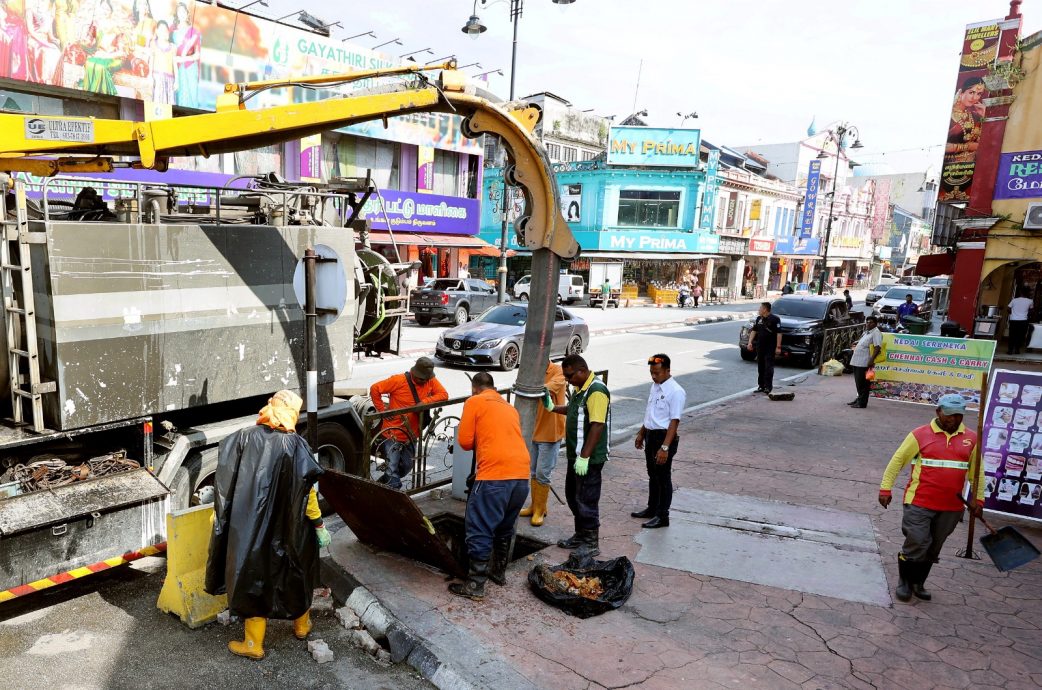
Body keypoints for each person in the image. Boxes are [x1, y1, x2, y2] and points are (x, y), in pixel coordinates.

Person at [205, 390, 330, 660]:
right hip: (292, 529)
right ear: (294, 414)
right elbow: (308, 494)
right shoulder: (297, 446)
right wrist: (318, 525)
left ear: (269, 407)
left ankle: (253, 644)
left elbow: (225, 482)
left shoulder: (242, 438)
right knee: (296, 572)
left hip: (250, 530)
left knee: (254, 578)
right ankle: (302, 625)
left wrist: (221, 517)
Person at [878, 394, 984, 603]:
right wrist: (885, 489)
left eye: (958, 416)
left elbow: (977, 472)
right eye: (948, 415)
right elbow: (897, 461)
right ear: (938, 412)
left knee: (934, 546)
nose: (953, 420)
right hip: (919, 501)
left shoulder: (971, 439)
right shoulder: (920, 435)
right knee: (918, 541)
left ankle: (919, 582)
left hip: (952, 506)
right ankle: (905, 582)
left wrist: (978, 500)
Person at [449, 372, 530, 600]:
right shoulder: (508, 407)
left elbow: (465, 442)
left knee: (480, 528)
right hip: (522, 476)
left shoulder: (474, 401)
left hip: (494, 476)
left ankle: (475, 585)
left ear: (475, 389)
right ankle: (498, 572)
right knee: (505, 526)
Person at [547, 354, 610, 557]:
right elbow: (575, 410)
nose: (567, 380)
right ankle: (580, 534)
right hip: (576, 456)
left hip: (588, 459)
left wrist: (585, 457)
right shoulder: (580, 389)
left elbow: (597, 425)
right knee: (573, 497)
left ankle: (591, 542)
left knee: (586, 499)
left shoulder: (597, 391)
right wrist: (553, 408)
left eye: (569, 375)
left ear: (581, 371)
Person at [369, 357, 448, 490]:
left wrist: (425, 402)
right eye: (421, 379)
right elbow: (375, 388)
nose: (424, 381)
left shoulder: (430, 380)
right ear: (414, 373)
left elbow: (444, 394)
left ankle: (383, 484)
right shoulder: (398, 380)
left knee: (406, 466)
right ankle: (391, 490)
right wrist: (382, 411)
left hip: (411, 434)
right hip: (392, 433)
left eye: (426, 379)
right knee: (392, 468)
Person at [633, 354, 686, 529]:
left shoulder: (676, 391)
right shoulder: (655, 387)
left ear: (667, 371)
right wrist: (642, 433)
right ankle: (652, 508)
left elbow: (674, 422)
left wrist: (665, 447)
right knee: (652, 475)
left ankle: (663, 516)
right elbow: (651, 413)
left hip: (664, 438)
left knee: (663, 478)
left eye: (657, 373)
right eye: (651, 373)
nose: (654, 376)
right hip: (651, 435)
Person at [518, 359, 566, 526]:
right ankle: (535, 506)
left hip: (550, 431)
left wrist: (530, 388)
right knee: (532, 471)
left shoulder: (558, 371)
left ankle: (540, 509)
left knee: (542, 473)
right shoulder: (532, 371)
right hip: (533, 430)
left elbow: (550, 387)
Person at [945, 76, 985, 162]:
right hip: (949, 167)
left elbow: (985, 143)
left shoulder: (975, 116)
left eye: (978, 94)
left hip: (971, 166)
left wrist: (984, 116)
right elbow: (939, 146)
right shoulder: (948, 114)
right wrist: (966, 147)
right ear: (961, 92)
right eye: (971, 92)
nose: (974, 98)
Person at [747, 302, 781, 394]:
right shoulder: (759, 319)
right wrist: (750, 342)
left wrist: (778, 346)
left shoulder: (775, 319)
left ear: (765, 309)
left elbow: (779, 333)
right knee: (760, 366)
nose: (759, 310)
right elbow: (754, 330)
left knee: (768, 367)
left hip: (770, 347)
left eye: (760, 308)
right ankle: (761, 386)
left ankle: (768, 387)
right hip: (760, 346)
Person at [849, 316, 882, 409]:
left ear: (875, 324)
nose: (868, 324)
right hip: (857, 360)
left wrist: (871, 360)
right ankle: (859, 398)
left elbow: (877, 347)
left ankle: (862, 402)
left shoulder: (876, 333)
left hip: (865, 361)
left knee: (863, 383)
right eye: (867, 322)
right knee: (858, 382)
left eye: (871, 322)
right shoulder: (866, 332)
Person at [173, 2, 201, 109]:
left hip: (190, 68)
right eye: (179, 11)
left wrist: (183, 58)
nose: (182, 14)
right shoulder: (173, 32)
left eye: (183, 11)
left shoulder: (193, 31)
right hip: (178, 69)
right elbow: (172, 53)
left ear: (187, 13)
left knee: (192, 96)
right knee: (181, 96)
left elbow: (197, 55)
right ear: (176, 14)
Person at [1007, 287, 1034, 355]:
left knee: (1012, 335)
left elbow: (1008, 308)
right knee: (1020, 336)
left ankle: (1010, 350)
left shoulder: (1014, 300)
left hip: (1013, 320)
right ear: (1028, 293)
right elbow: (1031, 311)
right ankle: (1017, 350)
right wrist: (1026, 314)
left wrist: (1013, 313)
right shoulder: (1030, 301)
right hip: (1023, 321)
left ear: (1020, 292)